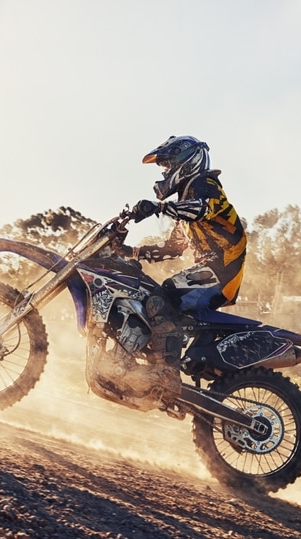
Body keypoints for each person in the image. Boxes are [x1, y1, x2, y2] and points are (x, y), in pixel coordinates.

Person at [122, 135, 249, 402]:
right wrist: (131, 252)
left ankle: (166, 374)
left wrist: (159, 206)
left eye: (167, 166)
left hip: (220, 271)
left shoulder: (205, 185)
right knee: (147, 293)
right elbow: (173, 249)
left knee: (163, 296)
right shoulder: (185, 199)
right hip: (210, 271)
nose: (165, 172)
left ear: (186, 161)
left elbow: (201, 209)